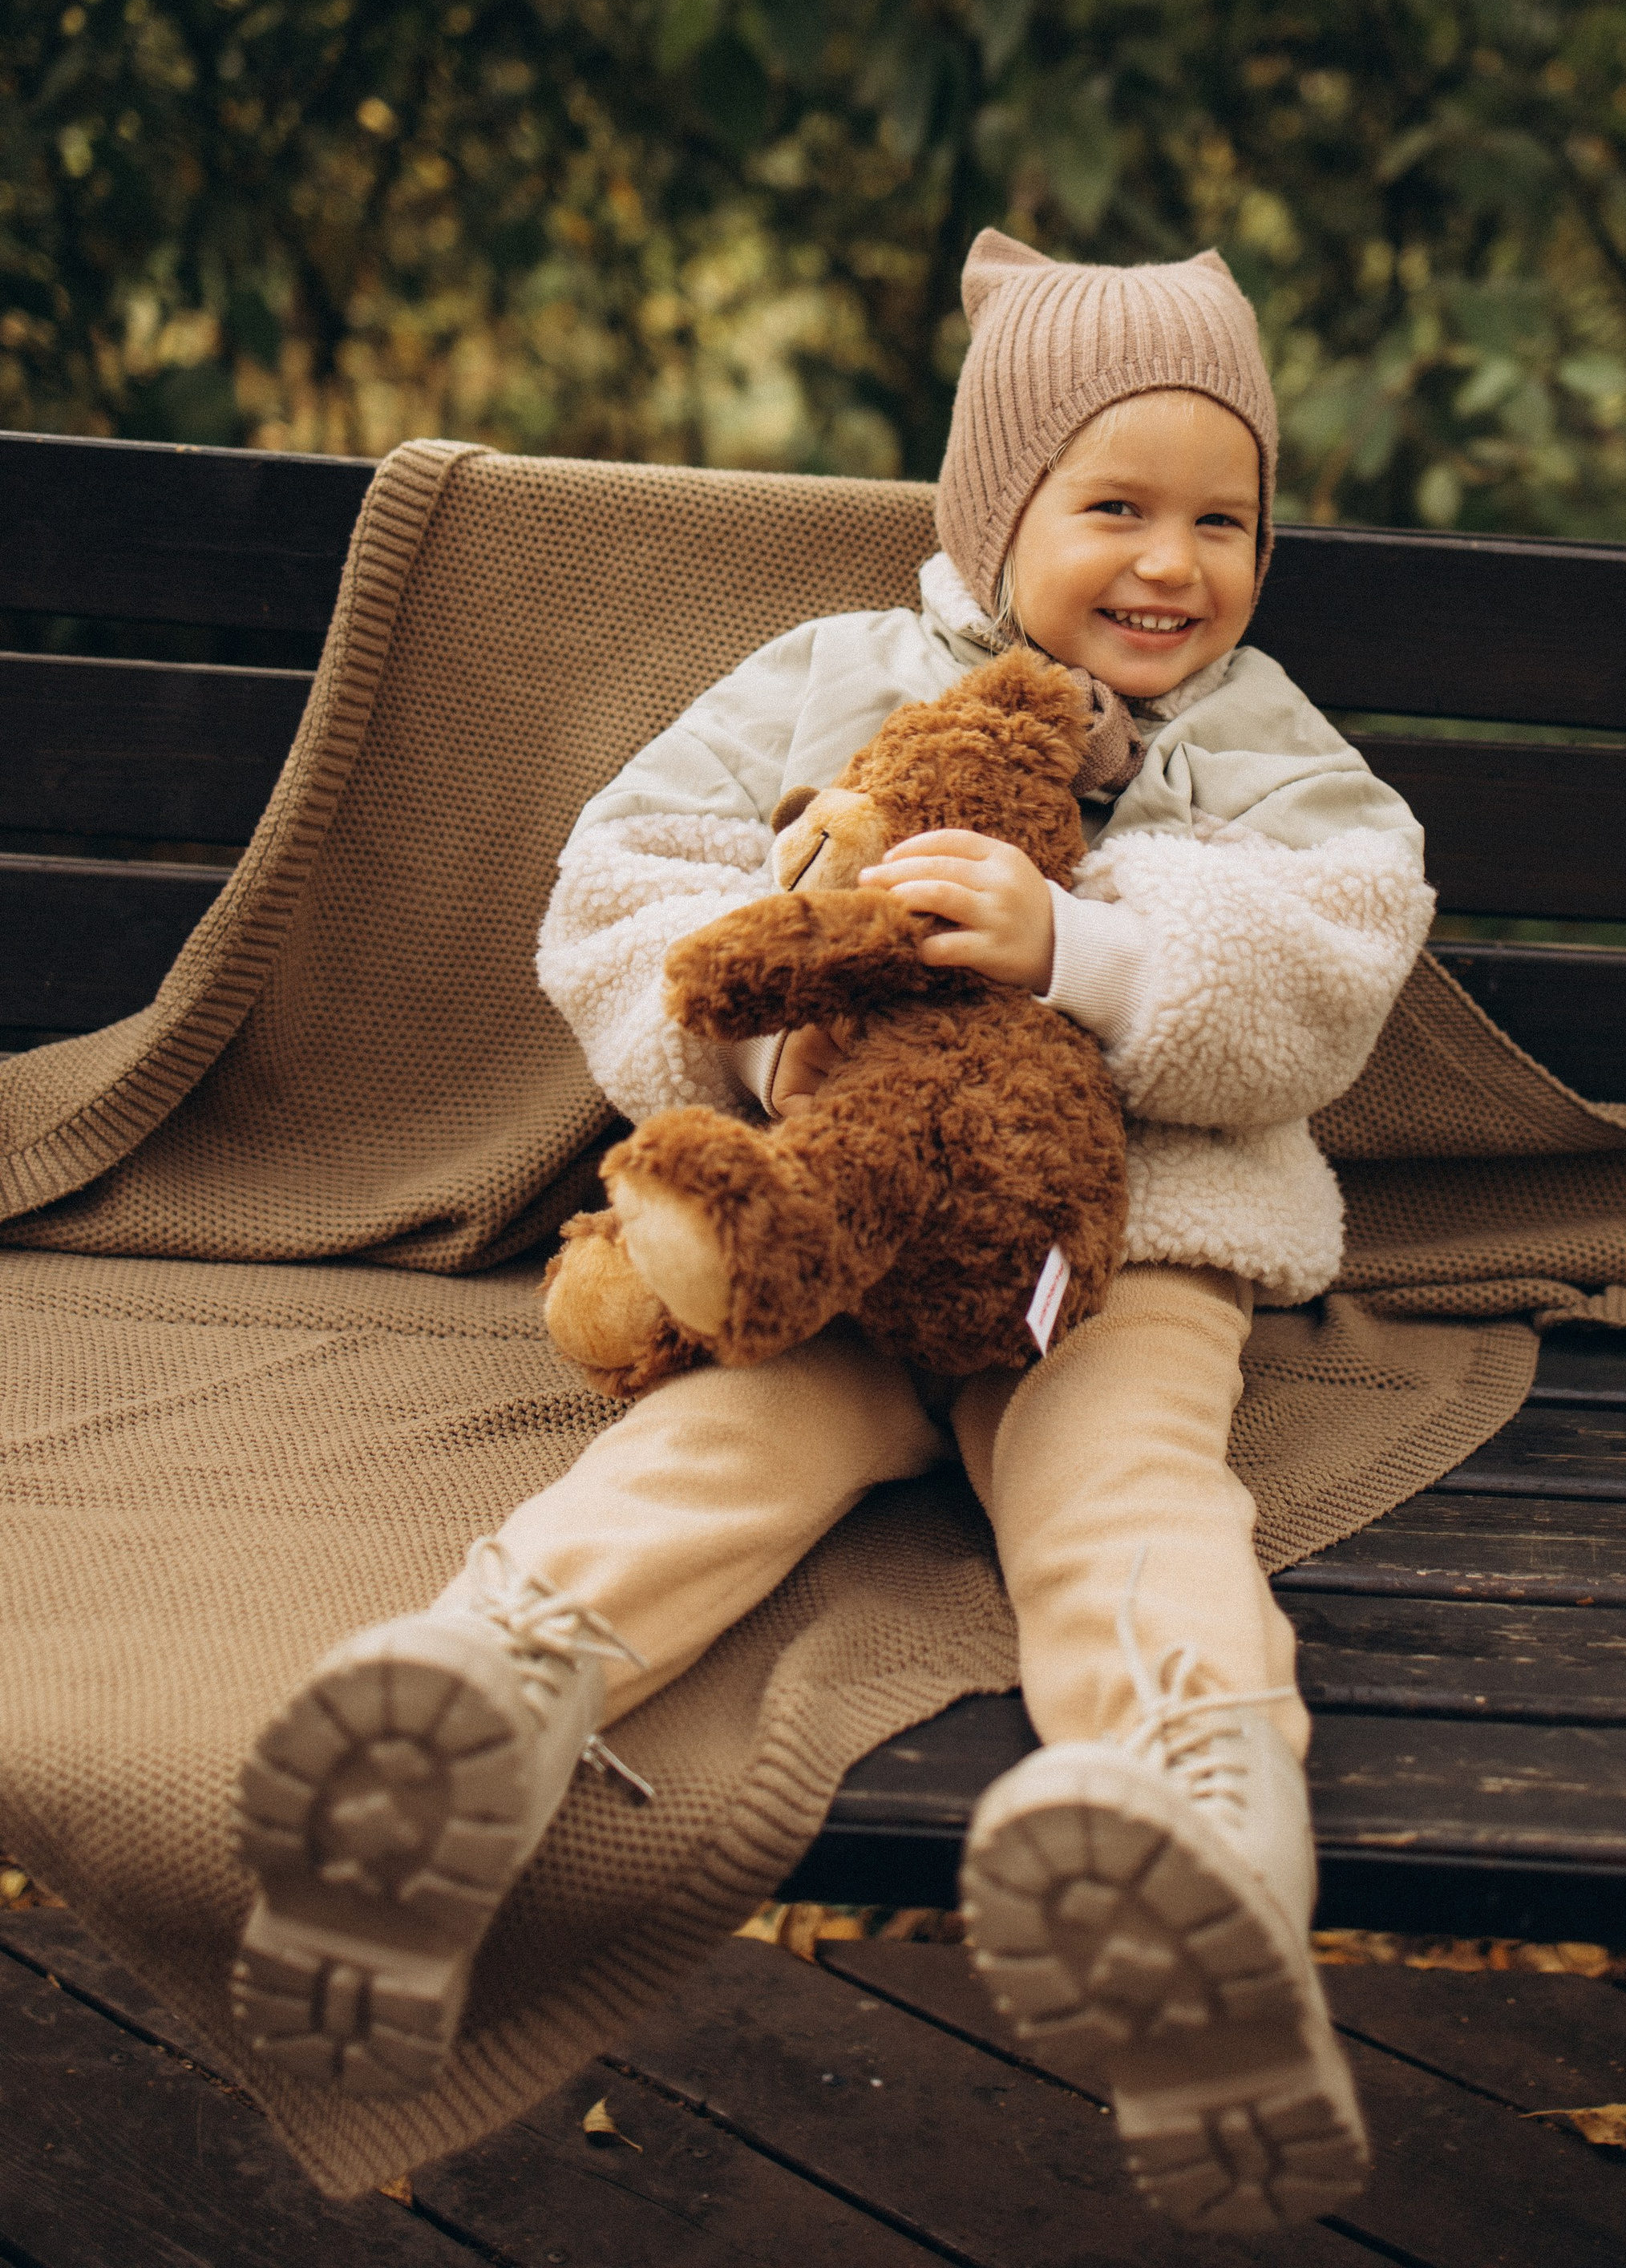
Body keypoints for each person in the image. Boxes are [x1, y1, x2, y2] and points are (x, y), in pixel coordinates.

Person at [230, 232, 1434, 2233]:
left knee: (1125, 1495)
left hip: (1121, 1257)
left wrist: (1097, 953)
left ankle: (1197, 1833)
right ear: (995, 508)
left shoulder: (1268, 739)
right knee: (715, 1444)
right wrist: (763, 1026)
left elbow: (1339, 954)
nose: (1173, 565)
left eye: (1222, 518)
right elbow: (615, 891)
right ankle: (477, 1704)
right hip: (839, 1244)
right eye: (1113, 507)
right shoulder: (824, 684)